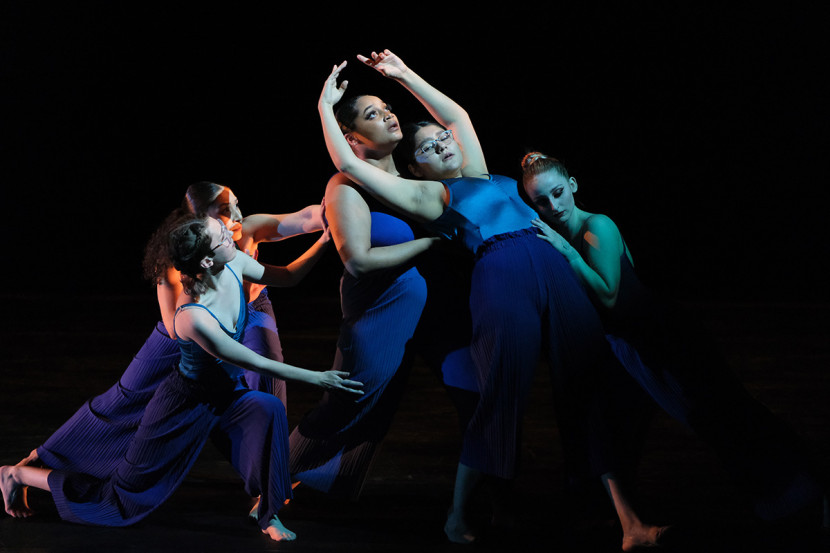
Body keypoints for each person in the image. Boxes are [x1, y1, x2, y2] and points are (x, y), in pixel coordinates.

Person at [317, 51, 652, 548]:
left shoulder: (484, 173)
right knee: (500, 397)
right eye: (428, 147)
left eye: (441, 138)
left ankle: (628, 522)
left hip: (554, 265)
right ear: (417, 169)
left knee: (587, 386)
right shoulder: (432, 197)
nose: (442, 143)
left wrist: (404, 75)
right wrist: (326, 106)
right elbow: (347, 163)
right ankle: (457, 516)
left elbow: (458, 118)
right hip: (501, 276)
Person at [1, 215, 363, 542]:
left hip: (226, 393)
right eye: (222, 236)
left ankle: (269, 513)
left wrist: (323, 242)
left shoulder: (234, 261)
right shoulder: (191, 317)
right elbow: (251, 360)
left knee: (268, 409)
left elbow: (287, 276)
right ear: (206, 261)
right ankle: (17, 476)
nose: (231, 234)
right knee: (121, 499)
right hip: (184, 402)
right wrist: (318, 378)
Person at [521, 151, 829, 528]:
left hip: (666, 337)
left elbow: (608, 295)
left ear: (572, 185)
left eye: (557, 192)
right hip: (634, 346)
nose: (553, 205)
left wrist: (566, 251)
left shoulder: (594, 227)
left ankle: (806, 484)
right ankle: (783, 491)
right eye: (541, 201)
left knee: (727, 412)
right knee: (705, 420)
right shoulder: (562, 234)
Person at [16, 182, 324, 492]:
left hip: (248, 313)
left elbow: (303, 220)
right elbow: (177, 327)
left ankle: (269, 483)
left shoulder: (248, 230)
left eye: (237, 206)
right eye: (226, 211)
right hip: (187, 338)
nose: (238, 217)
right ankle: (44, 459)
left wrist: (333, 213)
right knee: (127, 400)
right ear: (202, 221)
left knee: (265, 386)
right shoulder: (176, 265)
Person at [287, 89, 447, 499]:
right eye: (373, 114)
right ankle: (269, 482)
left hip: (411, 315)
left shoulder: (412, 181)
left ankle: (324, 491)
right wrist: (430, 245)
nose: (389, 116)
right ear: (353, 138)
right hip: (375, 312)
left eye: (388, 109)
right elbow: (357, 261)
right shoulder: (345, 184)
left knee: (378, 411)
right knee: (345, 403)